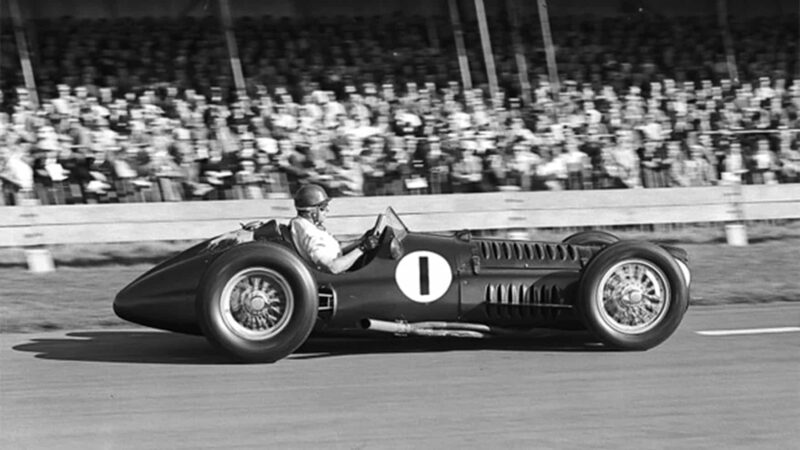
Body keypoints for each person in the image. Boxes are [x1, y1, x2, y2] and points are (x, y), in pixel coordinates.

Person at [290, 184, 379, 274]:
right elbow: (333, 267)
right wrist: (362, 248)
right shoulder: (312, 236)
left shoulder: (303, 225)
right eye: (323, 208)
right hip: (339, 281)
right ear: (311, 212)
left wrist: (362, 240)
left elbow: (336, 247)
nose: (327, 210)